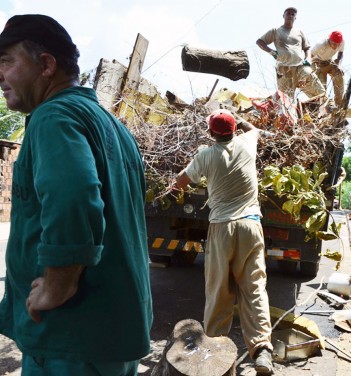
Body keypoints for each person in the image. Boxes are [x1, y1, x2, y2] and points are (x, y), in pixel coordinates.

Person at [0, 14, 152, 375]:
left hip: (71, 338)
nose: (0, 76)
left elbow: (75, 199)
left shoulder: (54, 116)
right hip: (113, 332)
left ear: (46, 65)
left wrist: (57, 285)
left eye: (7, 62)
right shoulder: (111, 125)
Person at [174, 110, 274, 374]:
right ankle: (262, 350)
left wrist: (175, 185)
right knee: (253, 288)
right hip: (251, 225)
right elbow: (255, 130)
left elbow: (182, 181)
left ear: (211, 133)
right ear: (233, 131)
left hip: (222, 227)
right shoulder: (246, 144)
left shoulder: (206, 155)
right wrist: (239, 119)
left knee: (219, 290)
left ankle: (215, 352)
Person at [256, 6, 326, 102]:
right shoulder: (275, 31)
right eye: (288, 13)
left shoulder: (299, 32)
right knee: (286, 100)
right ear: (283, 15)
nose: (290, 15)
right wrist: (271, 52)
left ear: (295, 17)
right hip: (284, 68)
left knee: (318, 90)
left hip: (300, 66)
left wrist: (308, 59)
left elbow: (307, 48)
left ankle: (329, 108)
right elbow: (260, 42)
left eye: (293, 14)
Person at [310, 31, 345, 107]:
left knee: (339, 74)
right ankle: (324, 106)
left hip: (329, 61)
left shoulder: (341, 42)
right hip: (317, 63)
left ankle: (339, 105)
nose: (336, 46)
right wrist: (310, 70)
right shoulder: (321, 44)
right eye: (334, 44)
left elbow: (340, 53)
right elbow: (310, 56)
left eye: (337, 44)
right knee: (321, 87)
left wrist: (338, 61)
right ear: (329, 40)